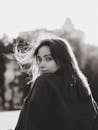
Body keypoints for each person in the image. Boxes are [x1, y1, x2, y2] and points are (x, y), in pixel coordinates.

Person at [14, 37, 98, 130]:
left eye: (48, 59)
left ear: (62, 60)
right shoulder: (82, 85)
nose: (41, 64)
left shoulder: (43, 82)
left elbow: (31, 124)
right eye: (39, 59)